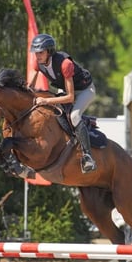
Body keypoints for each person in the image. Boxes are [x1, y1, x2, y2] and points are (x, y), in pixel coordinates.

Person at [29, 33, 97, 173]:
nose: (38, 56)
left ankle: (87, 156)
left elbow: (70, 97)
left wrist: (46, 100)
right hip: (66, 88)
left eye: (41, 52)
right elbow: (30, 86)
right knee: (54, 113)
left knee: (74, 116)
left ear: (49, 51)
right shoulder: (38, 63)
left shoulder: (65, 64)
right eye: (36, 53)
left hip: (84, 90)